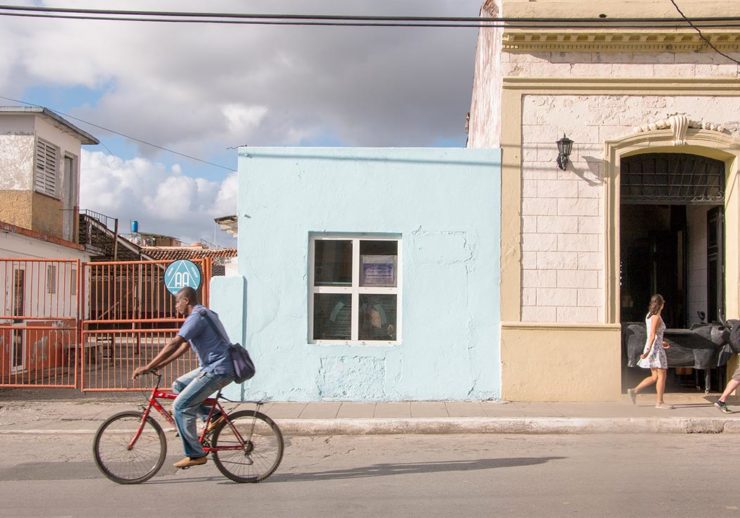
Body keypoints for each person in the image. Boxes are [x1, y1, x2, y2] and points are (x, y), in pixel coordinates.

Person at [132, 286, 235, 469]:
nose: (176, 307)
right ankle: (214, 416)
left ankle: (195, 454)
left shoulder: (196, 317)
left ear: (186, 301)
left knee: (179, 406)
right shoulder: (205, 313)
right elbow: (184, 347)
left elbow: (174, 343)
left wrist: (148, 366)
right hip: (217, 366)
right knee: (178, 385)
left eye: (177, 302)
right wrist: (158, 365)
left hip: (217, 369)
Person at [628, 294, 672, 409]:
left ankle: (634, 390)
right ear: (661, 304)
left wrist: (661, 342)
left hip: (654, 347)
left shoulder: (649, 316)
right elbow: (652, 334)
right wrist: (647, 351)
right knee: (662, 375)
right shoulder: (656, 317)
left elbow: (654, 335)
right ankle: (659, 402)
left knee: (655, 376)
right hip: (656, 350)